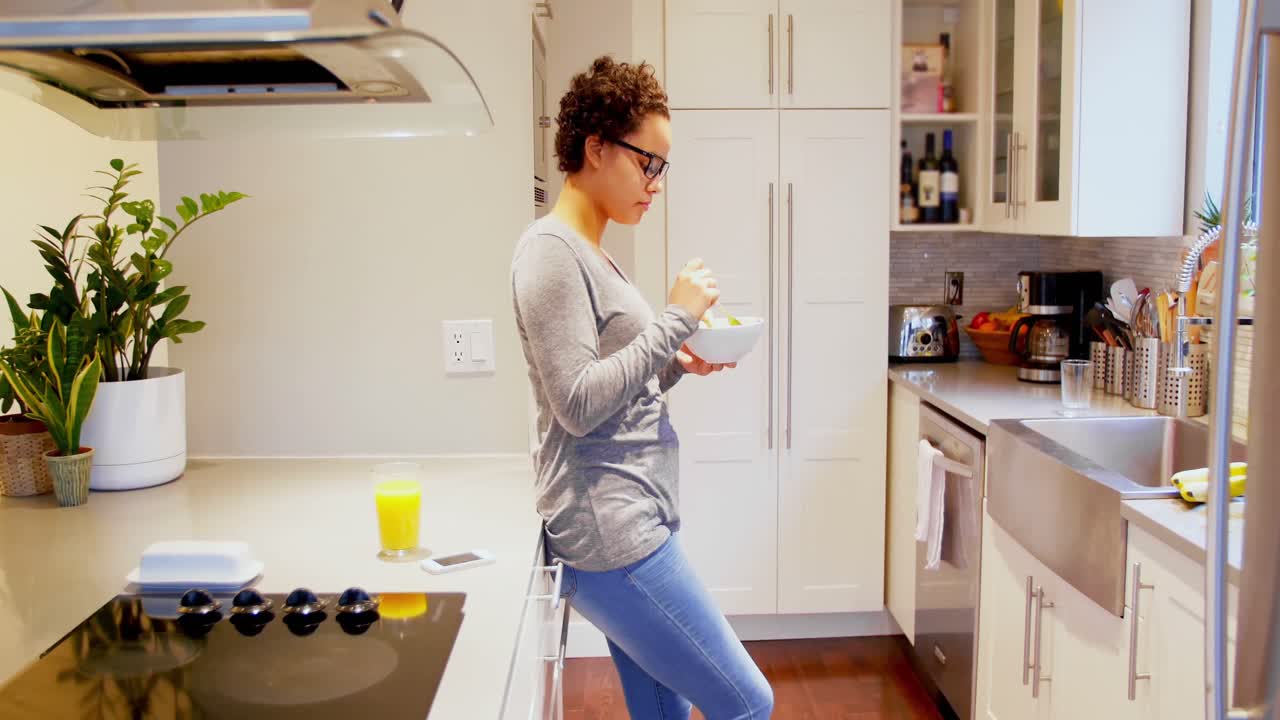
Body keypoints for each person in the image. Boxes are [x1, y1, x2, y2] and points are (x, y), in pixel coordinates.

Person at [510, 56, 775, 720]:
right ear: (596, 147)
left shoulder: (591, 253)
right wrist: (676, 319)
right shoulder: (551, 252)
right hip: (610, 535)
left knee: (664, 714)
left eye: (661, 167)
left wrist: (677, 362)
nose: (656, 183)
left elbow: (611, 392)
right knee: (747, 703)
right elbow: (575, 404)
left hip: (631, 522)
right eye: (646, 162)